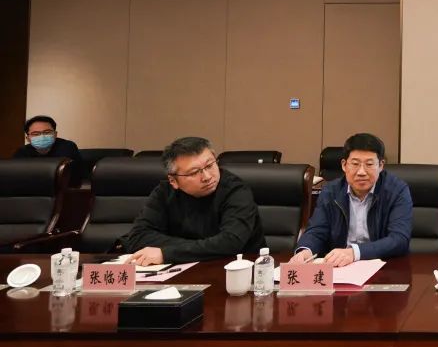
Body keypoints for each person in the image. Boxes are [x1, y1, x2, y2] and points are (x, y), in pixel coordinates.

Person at [120, 136, 265, 265]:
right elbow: (138, 237)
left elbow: (230, 243)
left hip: (235, 271)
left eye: (210, 165)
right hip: (179, 272)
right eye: (194, 172)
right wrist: (199, 248)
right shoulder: (164, 192)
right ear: (173, 181)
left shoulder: (236, 190)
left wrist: (166, 253)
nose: (207, 177)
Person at [290, 133, 412, 266]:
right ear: (344, 165)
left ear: (381, 165)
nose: (361, 172)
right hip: (340, 267)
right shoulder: (331, 191)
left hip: (384, 266)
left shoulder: (397, 191)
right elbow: (317, 231)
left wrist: (355, 253)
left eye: (369, 164)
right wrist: (305, 251)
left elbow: (399, 239)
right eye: (355, 164)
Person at [13, 115, 84, 184]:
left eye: (47, 132)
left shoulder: (68, 147)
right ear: (28, 138)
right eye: (35, 134)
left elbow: (77, 176)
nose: (42, 136)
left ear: (55, 134)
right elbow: (17, 178)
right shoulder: (22, 152)